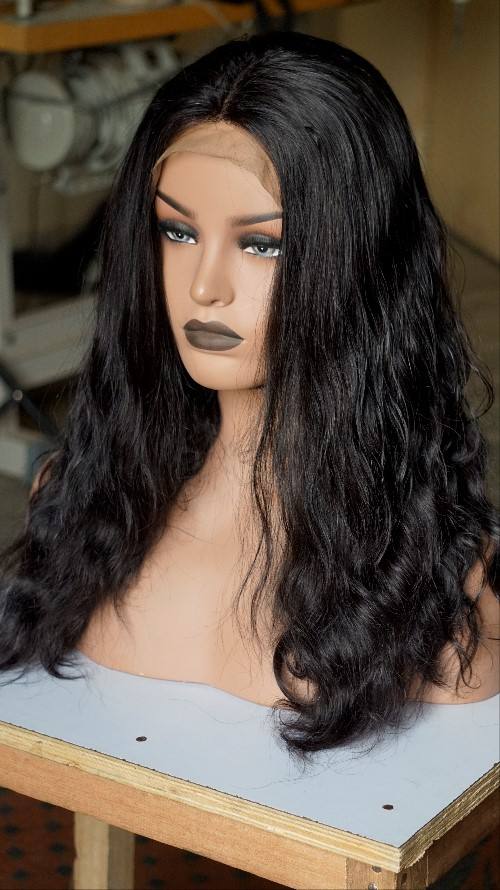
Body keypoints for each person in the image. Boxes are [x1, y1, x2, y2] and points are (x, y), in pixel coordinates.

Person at [1, 30, 498, 760]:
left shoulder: (438, 582)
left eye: (261, 244)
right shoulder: (82, 505)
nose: (205, 287)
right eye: (177, 231)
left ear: (359, 261)